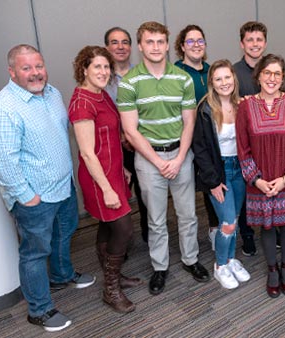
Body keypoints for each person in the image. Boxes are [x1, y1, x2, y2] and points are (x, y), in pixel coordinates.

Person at [0, 44, 95, 332]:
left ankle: (61, 275)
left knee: (63, 235)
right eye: (26, 68)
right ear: (12, 72)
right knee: (34, 253)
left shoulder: (52, 93)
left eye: (38, 66)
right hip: (35, 197)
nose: (35, 73)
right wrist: (26, 197)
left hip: (63, 188)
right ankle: (39, 310)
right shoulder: (1, 109)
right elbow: (2, 162)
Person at [117, 21, 210, 296]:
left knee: (188, 215)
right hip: (149, 160)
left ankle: (191, 260)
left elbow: (189, 122)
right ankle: (160, 267)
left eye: (160, 42)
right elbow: (131, 131)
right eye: (150, 42)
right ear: (141, 46)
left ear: (168, 45)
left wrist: (180, 157)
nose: (156, 47)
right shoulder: (130, 82)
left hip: (180, 154)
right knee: (156, 219)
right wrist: (158, 162)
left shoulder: (181, 79)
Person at [69, 46, 141, 313]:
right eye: (96, 66)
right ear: (84, 69)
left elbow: (111, 138)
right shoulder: (82, 103)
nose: (102, 72)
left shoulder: (101, 96)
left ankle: (115, 276)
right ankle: (110, 289)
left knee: (108, 226)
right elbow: (88, 153)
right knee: (124, 229)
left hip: (113, 172)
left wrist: (121, 168)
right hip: (99, 179)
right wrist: (108, 188)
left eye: (106, 67)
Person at [236, 54, 285, 298]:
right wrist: (256, 180)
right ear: (258, 76)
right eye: (267, 72)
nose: (271, 78)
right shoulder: (245, 107)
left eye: (277, 73)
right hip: (260, 180)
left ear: (283, 78)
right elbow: (242, 149)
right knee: (266, 228)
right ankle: (271, 269)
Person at [192, 60, 251, 289]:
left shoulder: (242, 105)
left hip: (240, 169)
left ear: (234, 80)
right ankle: (220, 265)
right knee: (226, 223)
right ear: (212, 83)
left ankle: (230, 259)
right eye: (218, 79)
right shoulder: (205, 109)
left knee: (234, 220)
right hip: (219, 172)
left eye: (227, 77)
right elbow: (200, 149)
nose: (224, 83)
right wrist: (213, 181)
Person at [173, 24, 220, 250]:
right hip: (184, 142)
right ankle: (189, 246)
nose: (196, 45)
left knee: (211, 185)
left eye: (200, 40)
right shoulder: (175, 73)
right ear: (182, 46)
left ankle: (214, 231)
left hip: (208, 141)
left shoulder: (211, 71)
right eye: (190, 41)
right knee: (186, 198)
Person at [104, 26, 149, 244]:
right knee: (117, 198)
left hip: (139, 145)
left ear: (131, 47)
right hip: (114, 148)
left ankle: (150, 238)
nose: (120, 47)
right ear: (107, 47)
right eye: (115, 42)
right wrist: (121, 134)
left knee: (146, 194)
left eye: (124, 42)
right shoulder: (101, 78)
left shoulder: (141, 75)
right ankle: (120, 246)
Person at [232, 21, 269, 256]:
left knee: (268, 186)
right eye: (250, 40)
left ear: (265, 43)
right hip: (244, 142)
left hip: (269, 143)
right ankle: (247, 235)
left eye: (259, 40)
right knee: (245, 191)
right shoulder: (233, 72)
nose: (255, 44)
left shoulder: (272, 68)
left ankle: (270, 229)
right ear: (242, 43)